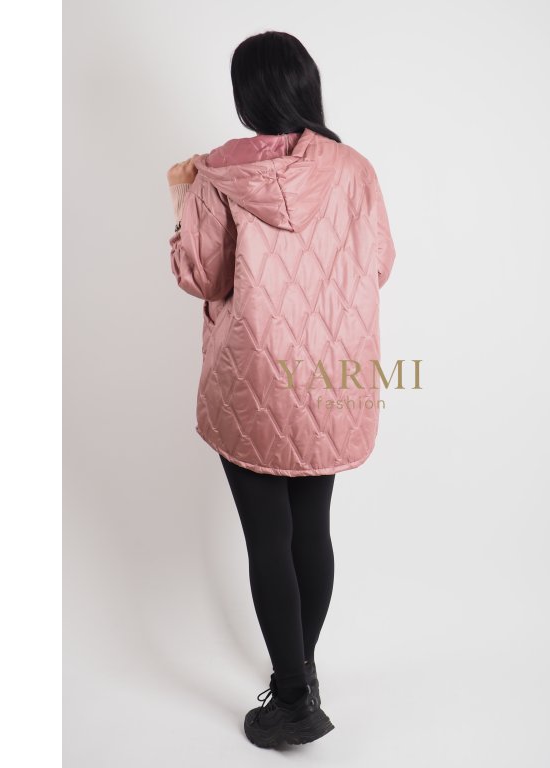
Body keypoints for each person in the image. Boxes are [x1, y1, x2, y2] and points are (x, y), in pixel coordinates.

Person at [164, 30, 396, 749]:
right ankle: (303, 675)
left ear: (247, 95)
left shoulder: (215, 176)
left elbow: (202, 276)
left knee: (269, 538)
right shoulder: (354, 170)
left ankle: (292, 698)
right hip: (330, 376)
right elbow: (379, 264)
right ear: (306, 85)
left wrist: (181, 197)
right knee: (311, 528)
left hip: (254, 376)